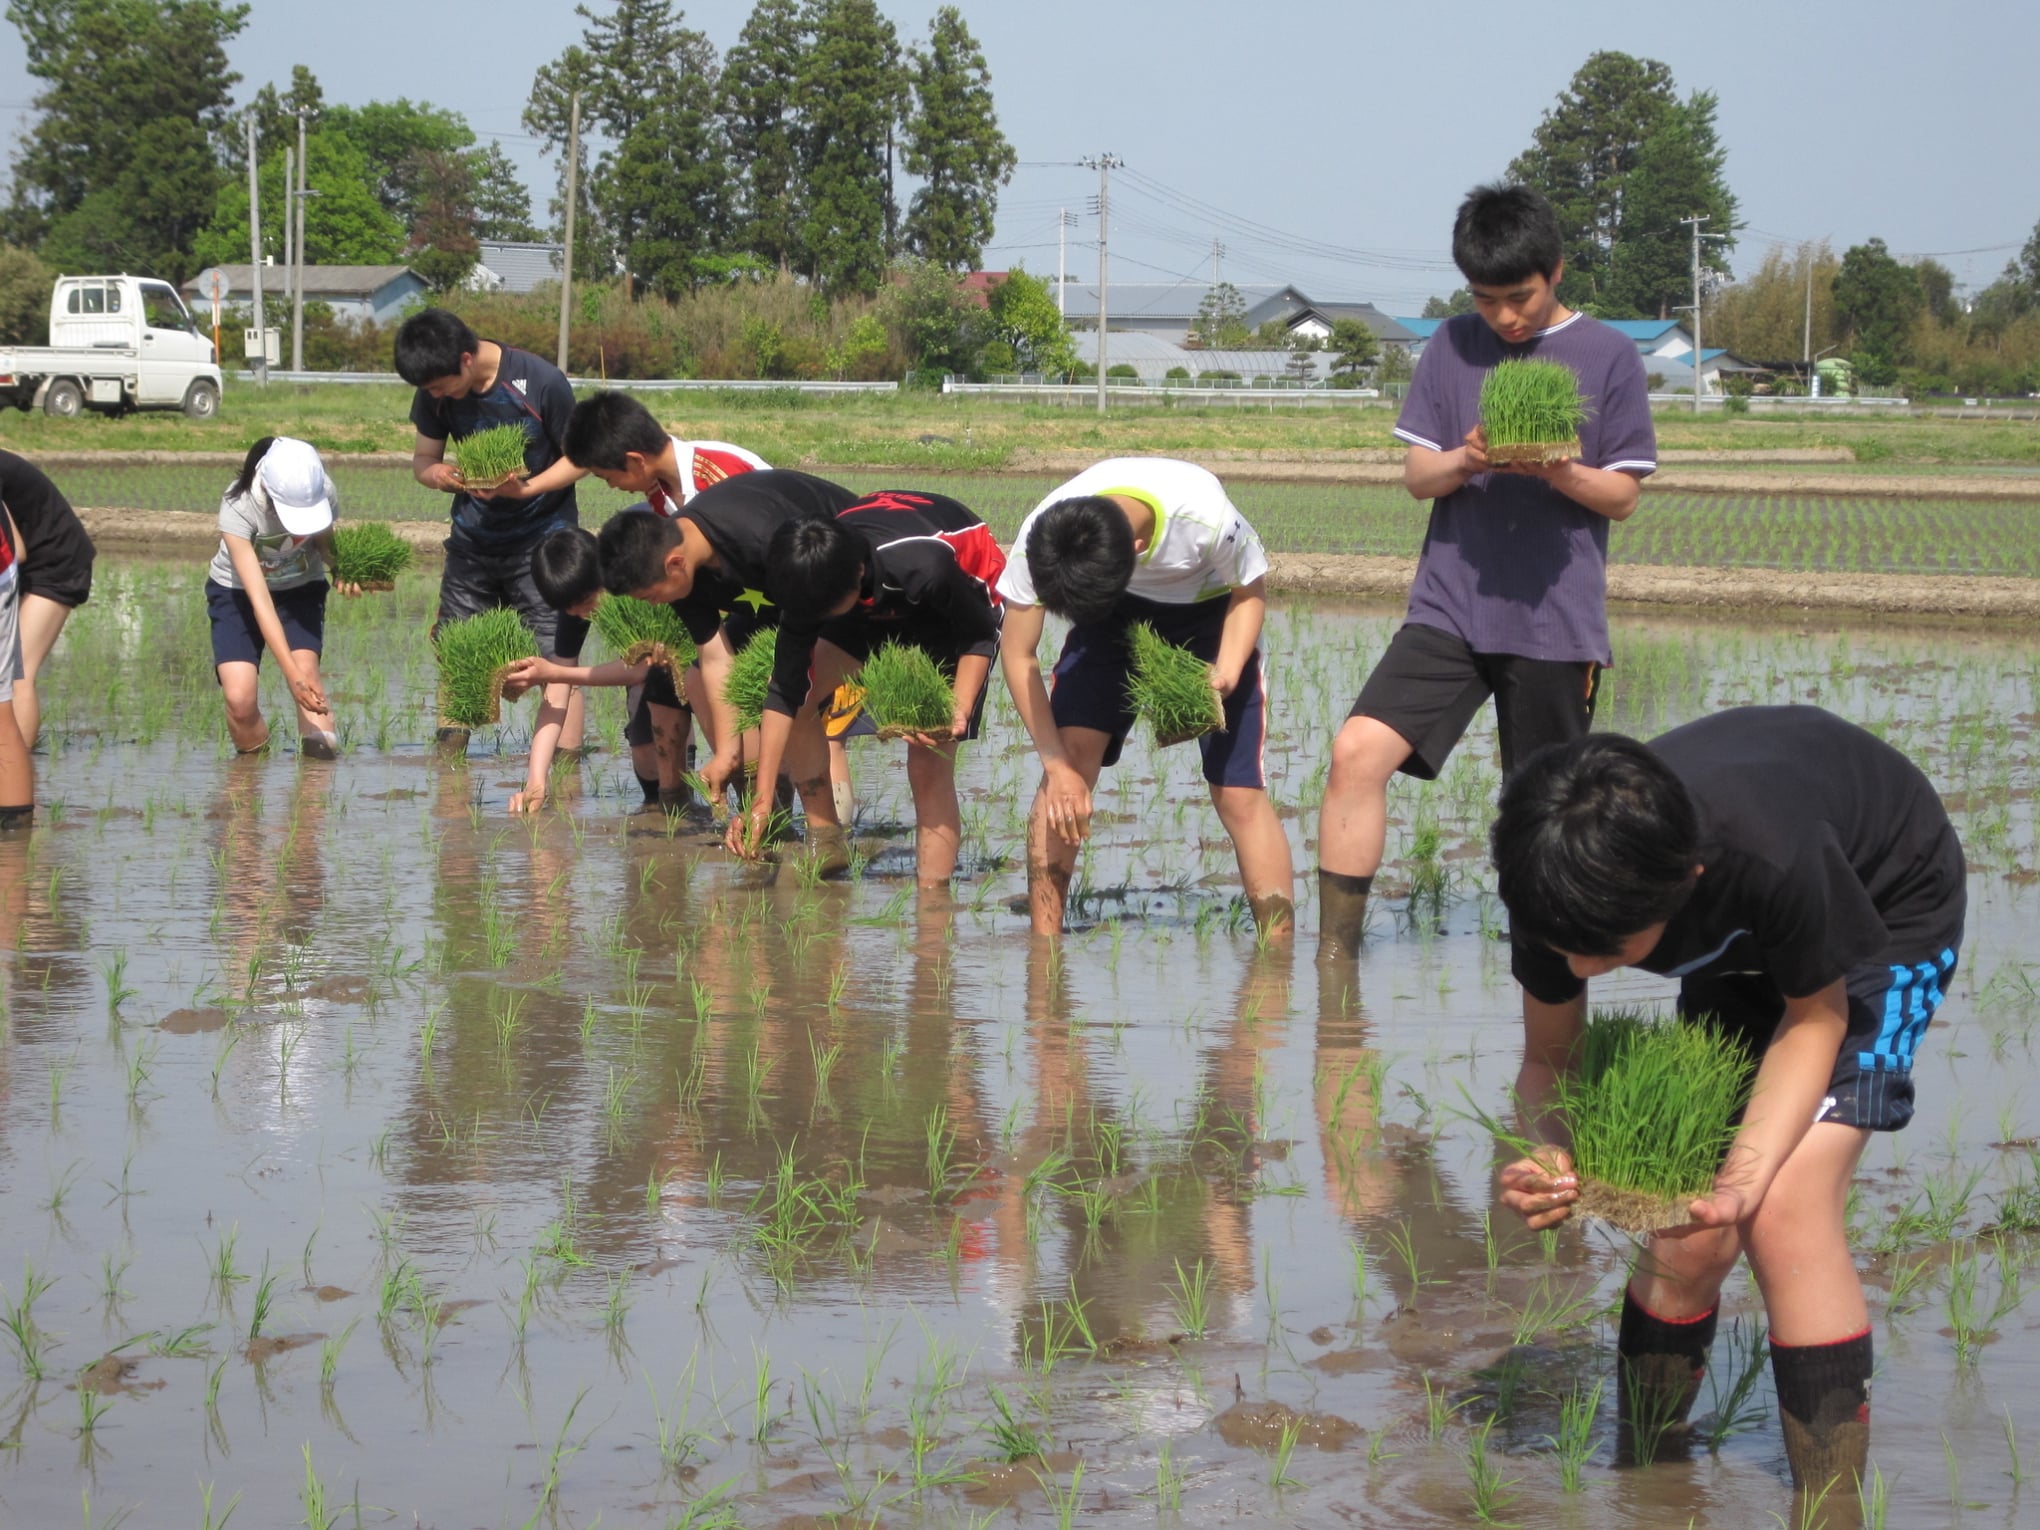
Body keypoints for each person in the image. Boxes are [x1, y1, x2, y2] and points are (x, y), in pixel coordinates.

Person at [1490, 706, 1965, 1494]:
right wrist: (1548, 1149)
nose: (1575, 961)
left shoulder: (1769, 858)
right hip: (1749, 937)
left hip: (1884, 909)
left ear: (1686, 888)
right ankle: (1646, 1477)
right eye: (1562, 944)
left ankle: (1830, 1507)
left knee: (1782, 1208)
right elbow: (1549, 1059)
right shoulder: (1557, 883)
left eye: (1603, 949)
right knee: (1686, 1228)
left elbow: (1816, 1017)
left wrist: (1745, 1180)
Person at [1314, 183, 1657, 957]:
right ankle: (1335, 964)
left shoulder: (1608, 355)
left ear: (1557, 271)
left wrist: (1556, 468)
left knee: (1543, 811)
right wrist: (1469, 458)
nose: (1505, 317)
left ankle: (1549, 975)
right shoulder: (1451, 346)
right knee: (1355, 754)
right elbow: (1417, 477)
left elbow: (1624, 496)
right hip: (1449, 608)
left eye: (1520, 297)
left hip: (1552, 621)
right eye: (1486, 298)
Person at [995, 456, 1292, 938]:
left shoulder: (1205, 517)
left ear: (1137, 549)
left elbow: (1249, 591)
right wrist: (1055, 765)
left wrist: (1227, 669)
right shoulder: (1046, 537)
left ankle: (1277, 959)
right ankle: (1043, 948)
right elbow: (1018, 654)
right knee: (1069, 763)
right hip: (1110, 615)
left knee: (1238, 792)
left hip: (1211, 611)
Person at [730, 489, 1005, 887]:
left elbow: (979, 637)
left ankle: (932, 907)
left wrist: (957, 710)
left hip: (958, 605)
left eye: (821, 612)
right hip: (862, 601)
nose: (812, 620)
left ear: (858, 574)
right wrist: (761, 800)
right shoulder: (810, 586)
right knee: (804, 702)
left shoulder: (925, 564)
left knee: (928, 759)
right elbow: (783, 694)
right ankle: (826, 840)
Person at [597, 469, 862, 858]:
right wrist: (726, 753)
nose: (654, 604)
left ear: (674, 564)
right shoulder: (681, 570)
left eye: (651, 596)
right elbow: (715, 656)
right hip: (784, 603)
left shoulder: (758, 537)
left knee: (807, 708)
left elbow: (821, 602)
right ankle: (803, 835)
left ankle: (832, 841)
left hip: (845, 585)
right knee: (780, 699)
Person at [394, 307, 585, 750]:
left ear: (465, 359)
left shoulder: (540, 382)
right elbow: (423, 461)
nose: (434, 395)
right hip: (472, 543)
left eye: (439, 386)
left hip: (544, 543)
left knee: (554, 660)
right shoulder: (435, 393)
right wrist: (441, 476)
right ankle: (450, 779)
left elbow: (581, 458)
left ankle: (566, 776)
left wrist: (526, 489)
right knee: (458, 652)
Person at [499, 524, 695, 815]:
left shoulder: (640, 583)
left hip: (694, 657)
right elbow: (557, 692)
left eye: (585, 603)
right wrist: (536, 780)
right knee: (646, 757)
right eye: (568, 609)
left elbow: (642, 669)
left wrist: (553, 672)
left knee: (681, 743)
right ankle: (665, 822)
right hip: (651, 670)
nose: (579, 614)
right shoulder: (575, 604)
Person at [205, 437, 359, 758]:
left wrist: (343, 571)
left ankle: (316, 793)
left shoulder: (323, 490)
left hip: (300, 587)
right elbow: (260, 600)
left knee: (309, 675)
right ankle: (250, 785)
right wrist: (292, 677)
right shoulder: (239, 504)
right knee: (239, 699)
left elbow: (325, 542)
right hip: (238, 593)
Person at [0, 450, 96, 748]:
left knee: (17, 671)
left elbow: (15, 550)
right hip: (24, 566)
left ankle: (18, 771)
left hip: (56, 565)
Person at [561, 390, 769, 517]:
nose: (613, 486)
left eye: (608, 478)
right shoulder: (657, 488)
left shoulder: (722, 476)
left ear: (635, 460)